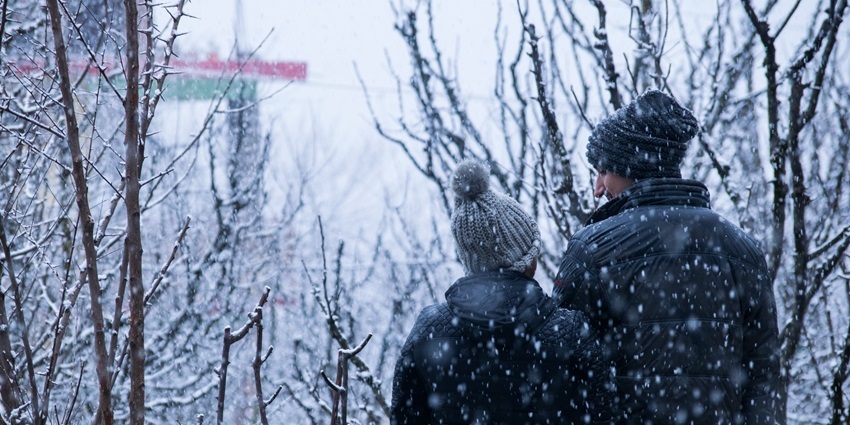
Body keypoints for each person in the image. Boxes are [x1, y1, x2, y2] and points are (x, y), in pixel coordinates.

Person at [553, 89, 782, 424]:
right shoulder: (742, 249)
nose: (598, 188)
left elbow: (562, 368)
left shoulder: (592, 250)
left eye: (603, 170)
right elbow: (764, 377)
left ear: (629, 166)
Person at [391, 159, 612, 425]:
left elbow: (405, 418)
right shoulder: (569, 330)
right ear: (525, 260)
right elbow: (604, 413)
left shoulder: (428, 329)